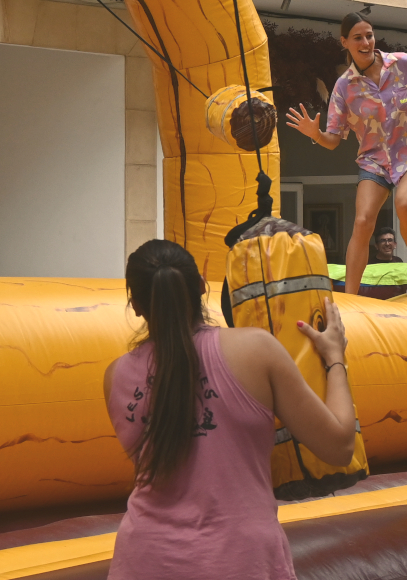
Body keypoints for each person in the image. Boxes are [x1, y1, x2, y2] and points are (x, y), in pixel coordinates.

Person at [103, 239, 357, 580]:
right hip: (239, 559)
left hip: (143, 559)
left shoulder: (116, 376)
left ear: (135, 305)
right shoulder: (255, 350)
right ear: (201, 286)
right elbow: (339, 447)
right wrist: (335, 357)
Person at [285, 12, 407, 298]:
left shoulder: (405, 64)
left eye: (369, 35)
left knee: (404, 203)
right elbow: (334, 140)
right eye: (358, 38)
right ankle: (351, 299)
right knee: (362, 222)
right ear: (344, 42)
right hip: (374, 162)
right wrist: (316, 134)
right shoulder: (344, 87)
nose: (366, 42)